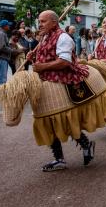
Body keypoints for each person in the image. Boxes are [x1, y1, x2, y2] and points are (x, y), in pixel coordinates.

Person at [26, 11, 97, 171]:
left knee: (62, 121)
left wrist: (42, 66)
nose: (40, 24)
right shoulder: (44, 37)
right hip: (46, 83)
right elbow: (46, 58)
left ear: (53, 22)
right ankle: (59, 159)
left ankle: (85, 145)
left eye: (43, 21)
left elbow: (64, 62)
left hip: (62, 84)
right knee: (47, 121)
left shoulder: (64, 37)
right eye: (39, 21)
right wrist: (33, 57)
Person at [0, 20, 18, 86]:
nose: (9, 26)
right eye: (8, 25)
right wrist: (12, 50)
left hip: (2, 58)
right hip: (1, 58)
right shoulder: (1, 34)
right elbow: (2, 47)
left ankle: (1, 94)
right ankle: (1, 95)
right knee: (2, 79)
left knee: (2, 78)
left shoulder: (2, 33)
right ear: (4, 26)